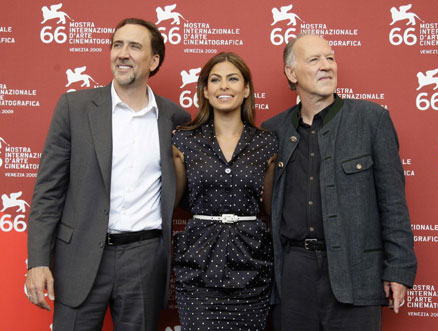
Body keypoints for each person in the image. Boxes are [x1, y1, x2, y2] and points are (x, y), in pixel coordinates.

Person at [25, 18, 190, 330]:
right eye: (117, 45)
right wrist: (38, 261)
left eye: (134, 46)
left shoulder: (175, 118)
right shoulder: (74, 108)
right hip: (80, 256)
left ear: (154, 60)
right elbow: (47, 193)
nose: (122, 53)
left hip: (144, 259)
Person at [262, 34, 417, 330]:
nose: (326, 66)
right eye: (314, 59)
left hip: (356, 271)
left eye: (330, 58)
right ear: (291, 73)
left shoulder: (372, 120)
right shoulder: (274, 130)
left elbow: (393, 202)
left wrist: (398, 269)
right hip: (293, 276)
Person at [172, 52, 278, 330]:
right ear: (205, 91)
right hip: (198, 266)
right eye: (215, 80)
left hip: (251, 265)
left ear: (246, 90)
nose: (224, 86)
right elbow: (172, 201)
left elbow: (270, 208)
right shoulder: (184, 139)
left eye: (233, 79)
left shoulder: (267, 143)